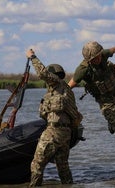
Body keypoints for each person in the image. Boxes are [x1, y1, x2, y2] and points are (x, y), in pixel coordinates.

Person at [68, 41, 115, 171]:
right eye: (94, 58)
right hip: (105, 99)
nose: (98, 59)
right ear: (88, 59)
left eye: (99, 56)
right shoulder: (82, 69)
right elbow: (69, 86)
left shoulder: (102, 54)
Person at [26, 49, 82, 187]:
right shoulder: (66, 90)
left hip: (54, 132)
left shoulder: (57, 83)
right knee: (63, 167)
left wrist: (32, 57)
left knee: (37, 164)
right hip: (65, 134)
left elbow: (42, 72)